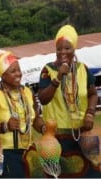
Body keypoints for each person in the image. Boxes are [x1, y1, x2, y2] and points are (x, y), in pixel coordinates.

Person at [32, 24, 100, 177]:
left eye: (67, 48)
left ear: (74, 49)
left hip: (83, 133)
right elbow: (43, 99)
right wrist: (58, 78)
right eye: (59, 49)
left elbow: (93, 94)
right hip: (58, 137)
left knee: (92, 173)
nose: (62, 52)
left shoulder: (83, 69)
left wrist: (90, 113)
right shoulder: (47, 70)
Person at [0, 49, 42, 178]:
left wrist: (44, 128)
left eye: (18, 70)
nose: (18, 74)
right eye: (13, 71)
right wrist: (4, 127)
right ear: (3, 75)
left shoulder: (27, 92)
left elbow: (36, 119)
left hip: (29, 152)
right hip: (6, 155)